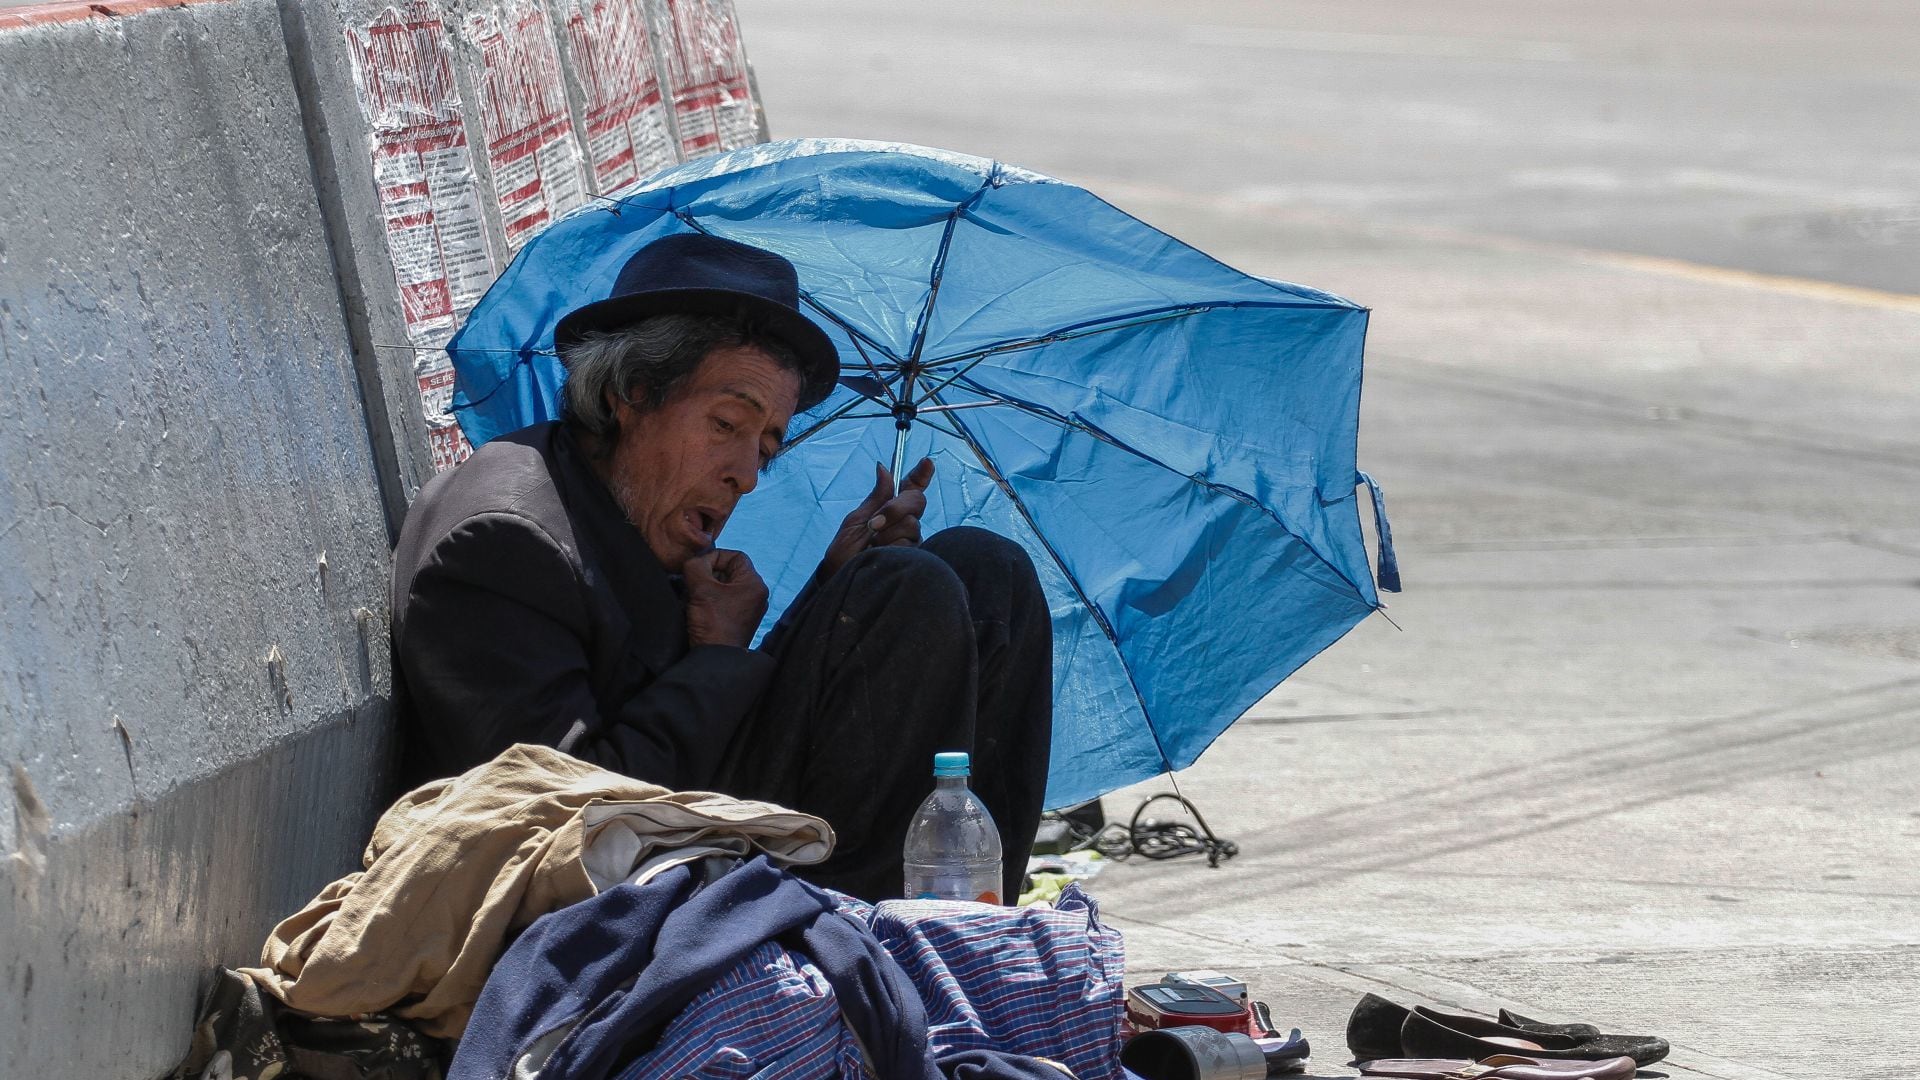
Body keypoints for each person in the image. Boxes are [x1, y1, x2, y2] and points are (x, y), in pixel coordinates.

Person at [389, 233, 1052, 901]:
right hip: (609, 890)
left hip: (694, 826)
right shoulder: (506, 539)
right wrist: (720, 655)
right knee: (908, 590)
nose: (745, 475)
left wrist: (838, 592)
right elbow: (579, 823)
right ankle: (868, 961)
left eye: (765, 446)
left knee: (984, 573)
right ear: (632, 393)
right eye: (726, 424)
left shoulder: (624, 511)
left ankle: (978, 928)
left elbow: (725, 732)